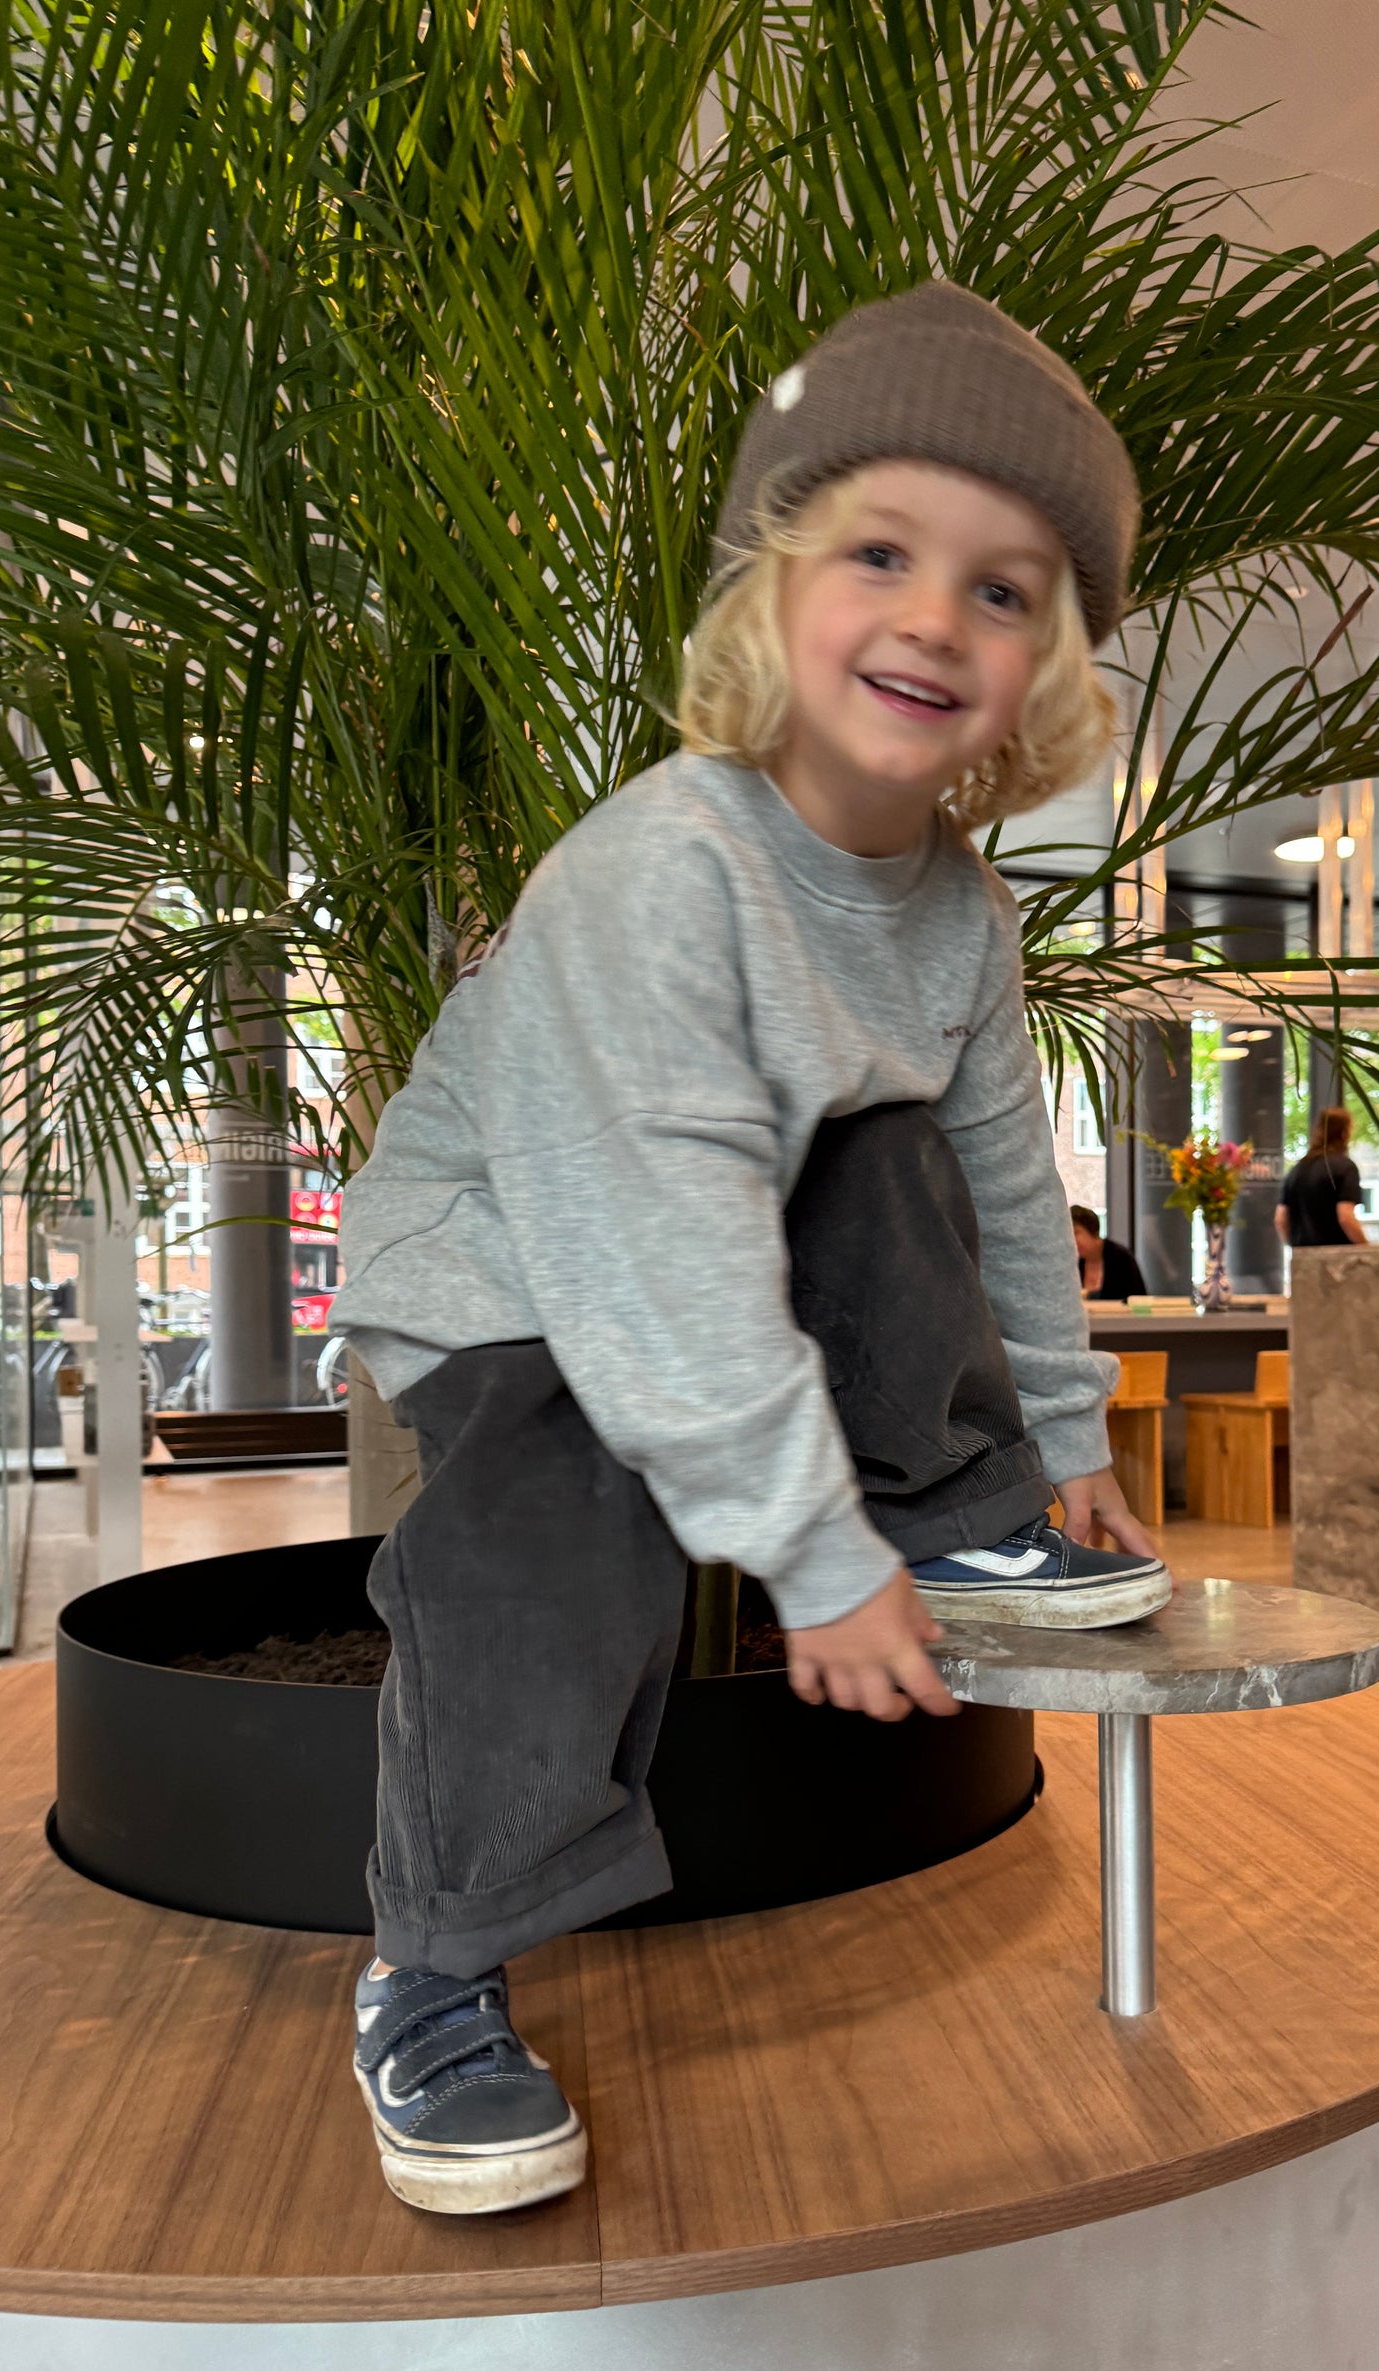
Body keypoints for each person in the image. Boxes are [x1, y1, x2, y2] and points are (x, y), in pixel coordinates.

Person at [330, 283, 1172, 2218]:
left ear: (1046, 665)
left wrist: (1058, 1447)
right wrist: (812, 1557)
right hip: (506, 1262)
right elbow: (652, 1241)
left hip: (701, 1242)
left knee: (891, 1134)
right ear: (768, 593)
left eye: (1000, 589)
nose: (932, 617)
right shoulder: (661, 870)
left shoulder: (958, 914)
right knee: (559, 1523)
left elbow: (1002, 1191)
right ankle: (431, 1973)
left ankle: (953, 1514)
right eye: (878, 555)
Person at [1276, 1107, 1368, 1248]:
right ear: (1344, 1133)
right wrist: (1367, 1248)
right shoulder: (1345, 1167)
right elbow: (1346, 1217)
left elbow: (1281, 1219)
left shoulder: (1297, 1170)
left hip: (1303, 1256)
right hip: (1338, 1255)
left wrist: (1296, 1248)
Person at [1071, 1203, 1146, 1300]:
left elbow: (1137, 1298)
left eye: (1076, 1232)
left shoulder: (1121, 1259)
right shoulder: (1072, 1262)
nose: (1071, 1240)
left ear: (1093, 1230)